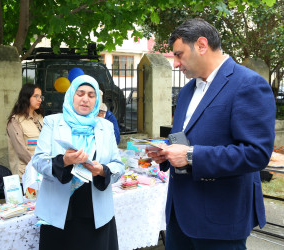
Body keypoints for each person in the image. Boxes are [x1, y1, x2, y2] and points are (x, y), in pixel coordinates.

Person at [147, 18, 275, 250]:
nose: (175, 64)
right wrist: (165, 152)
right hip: (179, 216)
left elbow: (256, 154)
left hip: (220, 219)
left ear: (202, 45)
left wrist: (190, 156)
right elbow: (185, 137)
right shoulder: (187, 90)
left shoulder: (248, 84)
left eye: (179, 54)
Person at [31, 74, 125, 250]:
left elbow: (118, 166)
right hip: (60, 214)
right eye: (80, 93)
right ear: (71, 95)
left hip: (95, 214)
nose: (85, 99)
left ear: (97, 99)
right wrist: (64, 161)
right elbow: (38, 161)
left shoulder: (106, 127)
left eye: (91, 95)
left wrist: (102, 170)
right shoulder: (53, 122)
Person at [7, 83, 44, 181]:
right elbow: (21, 151)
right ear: (26, 98)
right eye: (36, 96)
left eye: (40, 97)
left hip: (43, 172)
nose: (40, 99)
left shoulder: (40, 118)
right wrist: (41, 166)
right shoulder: (15, 121)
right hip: (25, 174)